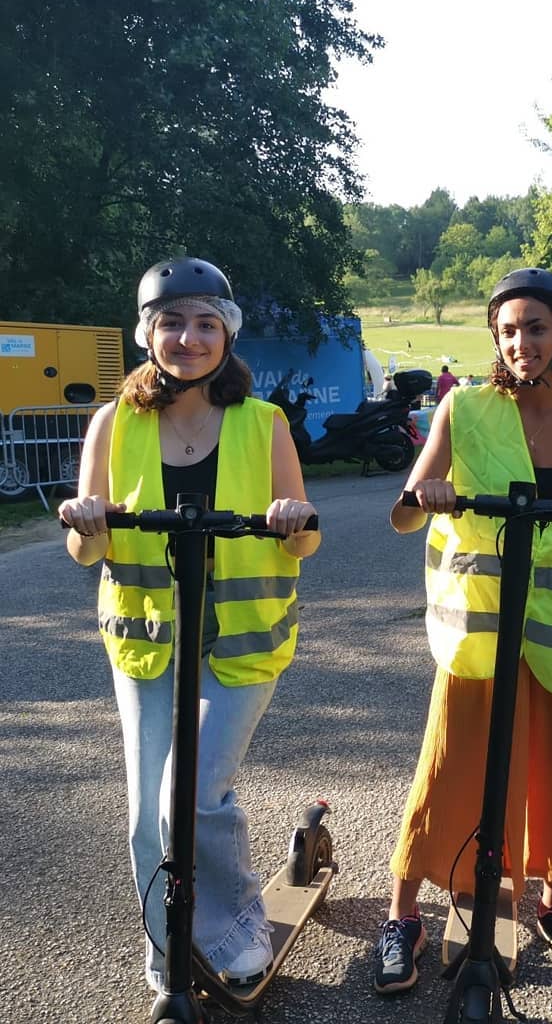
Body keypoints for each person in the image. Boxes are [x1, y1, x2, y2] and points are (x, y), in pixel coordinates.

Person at [58, 257, 321, 992]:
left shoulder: (263, 423)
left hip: (240, 640)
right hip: (146, 643)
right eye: (171, 322)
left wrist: (293, 519)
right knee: (148, 816)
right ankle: (167, 948)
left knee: (194, 794)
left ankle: (235, 923)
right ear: (147, 334)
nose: (189, 338)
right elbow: (89, 550)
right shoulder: (113, 423)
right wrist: (83, 521)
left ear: (227, 336)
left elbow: (305, 539)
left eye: (207, 323)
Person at [375, 267, 552, 993]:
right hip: (482, 632)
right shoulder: (464, 410)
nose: (522, 341)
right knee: (451, 762)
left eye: (538, 328)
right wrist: (422, 495)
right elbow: (401, 515)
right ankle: (403, 912)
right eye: (510, 329)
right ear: (496, 337)